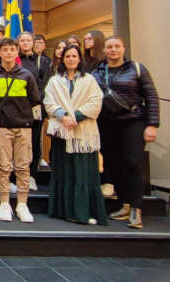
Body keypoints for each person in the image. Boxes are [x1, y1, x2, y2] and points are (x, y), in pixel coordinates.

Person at [91, 35, 160, 229]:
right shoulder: (97, 72)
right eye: (109, 47)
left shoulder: (136, 69)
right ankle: (125, 204)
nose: (113, 50)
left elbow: (151, 96)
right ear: (104, 50)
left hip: (133, 122)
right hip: (106, 123)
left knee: (133, 162)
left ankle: (136, 209)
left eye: (117, 46)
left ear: (123, 48)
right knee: (113, 164)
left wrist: (152, 124)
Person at [44, 45, 108, 225]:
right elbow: (49, 103)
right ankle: (64, 212)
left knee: (83, 174)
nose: (71, 59)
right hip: (62, 133)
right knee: (64, 173)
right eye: (68, 56)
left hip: (83, 134)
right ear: (62, 59)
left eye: (74, 56)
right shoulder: (55, 81)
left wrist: (75, 117)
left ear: (80, 59)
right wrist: (63, 117)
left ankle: (84, 212)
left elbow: (96, 102)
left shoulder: (89, 80)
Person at [0, 37, 41, 223]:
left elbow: (35, 101)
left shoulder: (27, 75)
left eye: (12, 49)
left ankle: (22, 204)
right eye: (5, 50)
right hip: (2, 127)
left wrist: (32, 124)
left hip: (23, 127)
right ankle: (4, 202)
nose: (9, 53)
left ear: (17, 52)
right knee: (3, 166)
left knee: (23, 166)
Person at [19, 32, 51, 188]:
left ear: (33, 43)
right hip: (17, 108)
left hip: (35, 107)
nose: (25, 43)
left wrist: (33, 100)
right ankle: (18, 175)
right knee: (18, 142)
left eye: (28, 40)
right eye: (22, 40)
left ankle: (32, 175)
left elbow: (46, 85)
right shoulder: (16, 60)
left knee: (34, 141)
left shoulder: (41, 61)